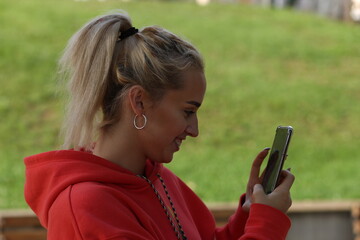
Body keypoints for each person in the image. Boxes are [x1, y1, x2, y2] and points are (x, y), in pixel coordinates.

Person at [24, 11, 295, 240]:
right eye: (188, 111)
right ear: (139, 101)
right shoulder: (87, 207)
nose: (195, 130)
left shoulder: (159, 178)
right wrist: (266, 225)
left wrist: (250, 214)